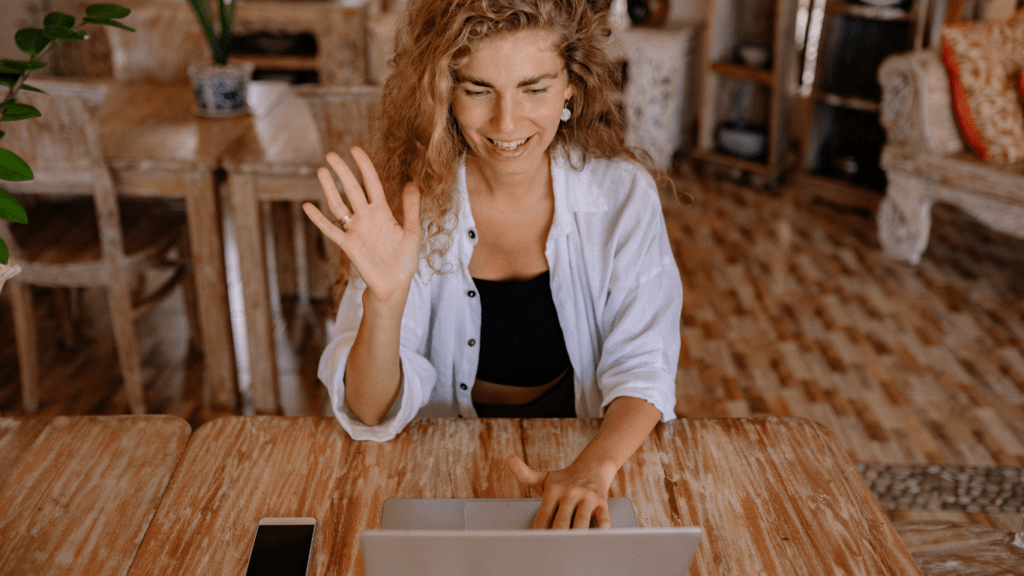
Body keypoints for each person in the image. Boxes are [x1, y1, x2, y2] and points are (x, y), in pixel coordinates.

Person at [303, 0, 683, 530]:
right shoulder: (410, 207)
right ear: (444, 93)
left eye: (534, 88)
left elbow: (645, 364)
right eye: (478, 89)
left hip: (586, 451)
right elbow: (368, 411)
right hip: (438, 469)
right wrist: (383, 303)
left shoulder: (623, 197)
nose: (507, 123)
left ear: (571, 86)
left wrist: (592, 471)